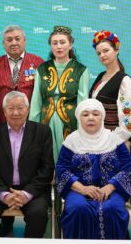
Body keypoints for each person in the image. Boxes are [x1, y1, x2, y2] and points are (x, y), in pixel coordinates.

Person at [0, 91, 54, 238]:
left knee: (38, 214)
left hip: (32, 190)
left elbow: (47, 168)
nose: (16, 113)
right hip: (0, 189)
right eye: (11, 108)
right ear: (4, 111)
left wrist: (26, 194)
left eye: (20, 108)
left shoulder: (42, 132)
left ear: (28, 110)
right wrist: (5, 195)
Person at [56, 99, 131, 239]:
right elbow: (61, 170)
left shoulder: (114, 140)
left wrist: (110, 187)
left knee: (112, 208)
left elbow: (129, 168)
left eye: (95, 114)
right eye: (85, 114)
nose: (91, 118)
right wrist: (83, 189)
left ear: (102, 117)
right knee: (78, 208)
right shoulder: (71, 141)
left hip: (111, 190)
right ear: (79, 118)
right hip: (78, 190)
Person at [29, 25, 91, 161]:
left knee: (69, 160)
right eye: (55, 43)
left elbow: (83, 103)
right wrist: (32, 129)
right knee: (46, 159)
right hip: (46, 123)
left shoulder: (81, 70)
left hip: (71, 124)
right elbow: (36, 101)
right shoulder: (42, 69)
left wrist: (83, 132)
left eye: (62, 42)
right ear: (50, 45)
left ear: (70, 44)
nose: (59, 46)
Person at [0, 25, 43, 125]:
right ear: (3, 43)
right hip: (1, 126)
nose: (14, 43)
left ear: (25, 41)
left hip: (31, 126)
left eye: (17, 39)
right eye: (9, 40)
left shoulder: (39, 63)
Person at [90, 30, 131, 141]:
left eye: (106, 51)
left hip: (112, 140)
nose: (102, 55)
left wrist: (114, 140)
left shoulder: (124, 80)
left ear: (116, 50)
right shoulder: (100, 76)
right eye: (99, 53)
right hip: (96, 138)